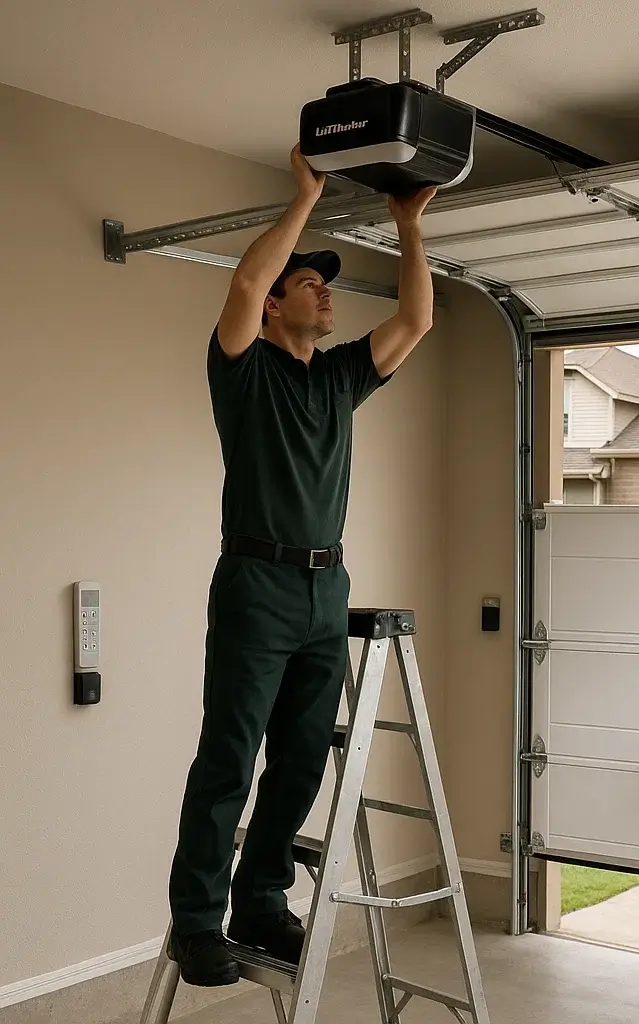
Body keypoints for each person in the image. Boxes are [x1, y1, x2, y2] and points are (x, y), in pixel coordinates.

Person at [166, 143, 437, 987]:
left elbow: (417, 320)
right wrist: (305, 199)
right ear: (277, 305)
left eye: (326, 284)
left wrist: (408, 226)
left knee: (303, 759)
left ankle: (260, 902)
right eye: (310, 282)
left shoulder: (342, 376)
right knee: (229, 757)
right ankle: (196, 924)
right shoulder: (243, 370)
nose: (326, 293)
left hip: (327, 588)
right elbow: (246, 284)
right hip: (257, 583)